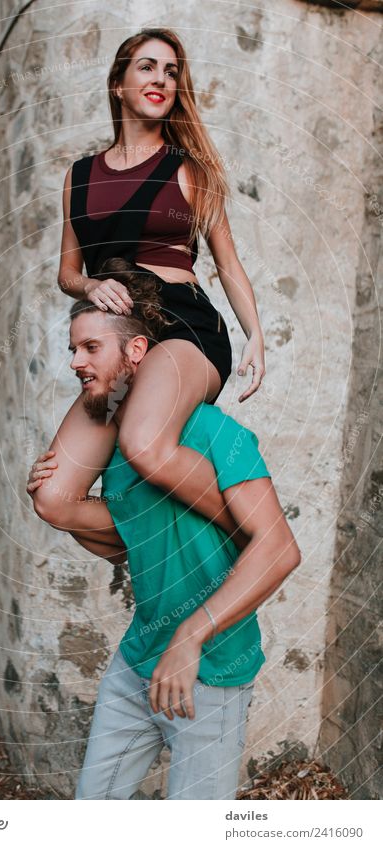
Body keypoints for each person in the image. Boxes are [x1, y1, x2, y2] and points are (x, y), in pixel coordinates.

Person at [26, 281, 301, 800]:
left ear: (136, 352)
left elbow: (280, 550)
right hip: (137, 662)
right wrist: (61, 508)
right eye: (72, 349)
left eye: (91, 347)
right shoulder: (115, 453)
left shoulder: (217, 433)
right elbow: (128, 548)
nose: (75, 363)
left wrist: (190, 638)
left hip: (212, 672)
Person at [35, 26, 267, 546]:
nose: (160, 78)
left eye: (170, 70)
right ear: (118, 83)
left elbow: (227, 263)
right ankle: (161, 544)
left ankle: (251, 537)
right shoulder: (80, 175)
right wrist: (91, 287)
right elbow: (67, 273)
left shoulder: (189, 171)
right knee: (53, 497)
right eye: (147, 66)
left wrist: (255, 334)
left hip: (183, 328)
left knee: (143, 443)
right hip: (120, 338)